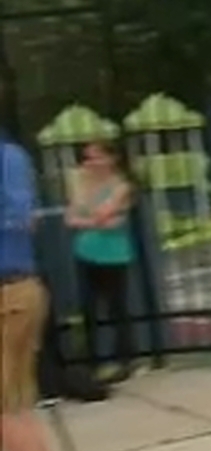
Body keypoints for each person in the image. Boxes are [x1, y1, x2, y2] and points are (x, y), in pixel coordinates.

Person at [1, 122, 85, 451]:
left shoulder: (7, 158)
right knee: (15, 401)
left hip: (9, 292)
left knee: (4, 407)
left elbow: (20, 218)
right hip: (12, 292)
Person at [65, 140, 136, 383]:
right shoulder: (82, 184)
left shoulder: (121, 185)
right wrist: (96, 220)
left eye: (96, 157)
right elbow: (71, 218)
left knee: (117, 307)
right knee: (88, 309)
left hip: (113, 254)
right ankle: (92, 360)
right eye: (87, 159)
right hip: (85, 251)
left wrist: (93, 217)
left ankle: (124, 359)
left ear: (111, 158)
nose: (90, 163)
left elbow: (104, 213)